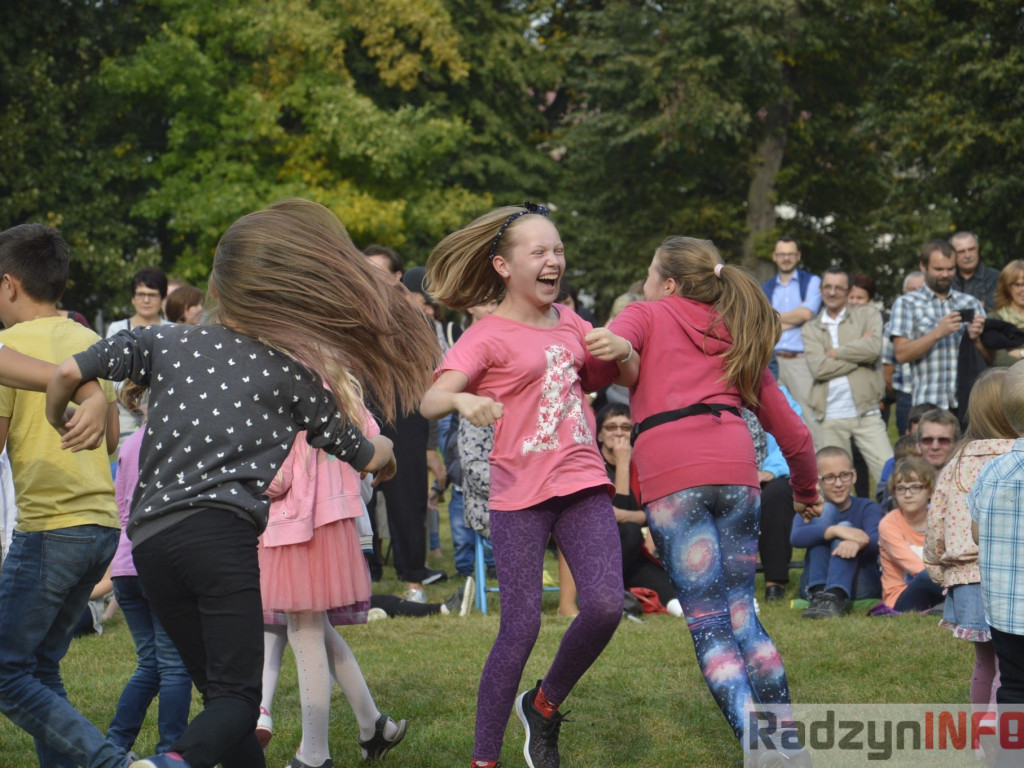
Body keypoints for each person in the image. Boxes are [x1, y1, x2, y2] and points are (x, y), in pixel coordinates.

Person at [46, 198, 440, 768]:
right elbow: (362, 450)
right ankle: (165, 764)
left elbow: (65, 372)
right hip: (220, 543)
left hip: (151, 546)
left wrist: (66, 415)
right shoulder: (291, 374)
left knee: (219, 702)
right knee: (238, 699)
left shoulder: (163, 342)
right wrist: (387, 458)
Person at [590, 236, 821, 766]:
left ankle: (761, 749)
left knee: (710, 623)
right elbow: (795, 434)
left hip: (675, 477)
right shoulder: (735, 335)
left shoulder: (647, 314)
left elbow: (614, 347)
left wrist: (615, 349)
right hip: (736, 472)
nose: (645, 282)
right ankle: (791, 746)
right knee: (744, 613)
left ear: (668, 283)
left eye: (649, 273)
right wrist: (806, 493)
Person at [420, 202, 624, 768]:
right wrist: (462, 398)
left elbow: (616, 372)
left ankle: (543, 703)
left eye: (557, 250)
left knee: (606, 606)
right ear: (504, 266)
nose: (553, 260)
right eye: (539, 252)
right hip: (520, 497)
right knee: (521, 626)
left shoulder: (573, 322)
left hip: (582, 481)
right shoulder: (487, 335)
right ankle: (484, 759)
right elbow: (430, 399)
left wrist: (624, 349)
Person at [0, 223, 126, 768]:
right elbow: (114, 439)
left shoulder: (8, 346)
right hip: (100, 525)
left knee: (5, 672)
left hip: (50, 527)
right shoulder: (89, 342)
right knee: (42, 667)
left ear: (8, 285)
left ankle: (113, 763)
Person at [257, 406, 407, 767]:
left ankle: (314, 756)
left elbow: (277, 477)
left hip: (296, 525)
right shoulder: (342, 386)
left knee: (303, 630)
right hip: (335, 521)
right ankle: (374, 726)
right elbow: (373, 449)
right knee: (315, 627)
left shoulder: (286, 385)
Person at [925, 368, 1015, 725]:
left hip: (966, 580)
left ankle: (981, 736)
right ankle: (1001, 734)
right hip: (1009, 579)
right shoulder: (1017, 460)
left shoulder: (955, 463)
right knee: (1012, 666)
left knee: (985, 662)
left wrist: (937, 569)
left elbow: (936, 525)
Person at [107, 382, 191, 756]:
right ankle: (170, 752)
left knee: (151, 664)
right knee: (174, 666)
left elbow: (122, 508)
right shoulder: (177, 441)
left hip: (125, 564)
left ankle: (115, 745)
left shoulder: (128, 445)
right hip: (159, 562)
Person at [363, 247, 447, 598]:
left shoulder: (419, 322)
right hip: (363, 415)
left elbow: (433, 378)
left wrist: (429, 444)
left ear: (397, 276)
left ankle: (413, 571)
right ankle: (363, 572)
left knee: (408, 497)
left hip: (407, 417)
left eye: (379, 271)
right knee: (357, 498)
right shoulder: (349, 314)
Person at [968, 360, 1024, 768]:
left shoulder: (992, 472)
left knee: (1015, 688)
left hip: (1007, 613)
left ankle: (1009, 757)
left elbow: (974, 531)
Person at [801, 266, 893, 487]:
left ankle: (891, 521)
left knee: (890, 476)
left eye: (839, 288)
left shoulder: (867, 314)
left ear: (848, 290)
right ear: (821, 289)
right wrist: (858, 357)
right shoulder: (811, 328)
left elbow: (873, 349)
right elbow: (820, 368)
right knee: (834, 486)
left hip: (867, 412)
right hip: (829, 416)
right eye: (828, 287)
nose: (832, 292)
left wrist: (837, 353)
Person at [595, 403, 681, 617]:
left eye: (625, 427)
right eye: (611, 427)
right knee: (631, 532)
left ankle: (670, 606)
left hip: (631, 554)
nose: (618, 433)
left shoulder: (642, 465)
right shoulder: (593, 465)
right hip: (598, 549)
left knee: (669, 589)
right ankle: (600, 593)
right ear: (599, 436)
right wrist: (622, 463)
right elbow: (614, 521)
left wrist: (630, 516)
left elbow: (654, 511)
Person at [890, 239, 986, 414]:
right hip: (928, 402)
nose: (945, 274)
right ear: (923, 267)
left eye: (950, 269)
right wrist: (938, 333)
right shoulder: (906, 303)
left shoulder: (969, 302)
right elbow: (901, 354)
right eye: (938, 269)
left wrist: (977, 339)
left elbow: (990, 356)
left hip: (969, 403)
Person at [792, 446, 882, 619]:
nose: (839, 483)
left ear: (854, 475)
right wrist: (834, 531)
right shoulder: (811, 508)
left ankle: (835, 596)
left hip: (859, 584)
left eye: (844, 475)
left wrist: (857, 543)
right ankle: (820, 595)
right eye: (830, 477)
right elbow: (795, 537)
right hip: (815, 583)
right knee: (825, 511)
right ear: (817, 482)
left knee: (845, 524)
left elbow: (877, 541)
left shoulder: (866, 507)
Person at [761, 237, 823, 447]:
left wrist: (774, 320)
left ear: (798, 256)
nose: (786, 258)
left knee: (809, 417)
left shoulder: (812, 282)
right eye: (781, 254)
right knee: (774, 419)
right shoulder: (765, 288)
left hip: (801, 360)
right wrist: (792, 318)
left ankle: (817, 473)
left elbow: (806, 314)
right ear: (774, 257)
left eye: (790, 254)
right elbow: (762, 323)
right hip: (771, 359)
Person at [878, 458, 944, 611]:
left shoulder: (940, 520)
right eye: (901, 489)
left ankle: (944, 607)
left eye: (915, 487)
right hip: (900, 597)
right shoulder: (889, 524)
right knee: (926, 576)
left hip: (938, 586)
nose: (907, 494)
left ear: (930, 491)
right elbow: (916, 568)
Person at [883, 270, 925, 435]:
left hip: (936, 395)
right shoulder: (892, 325)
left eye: (920, 289)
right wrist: (897, 391)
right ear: (904, 293)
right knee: (908, 447)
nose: (915, 294)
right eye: (911, 290)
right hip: (907, 396)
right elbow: (887, 366)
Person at [987, 259, 1024, 366]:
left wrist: (1021, 353)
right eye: (1018, 284)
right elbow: (1000, 360)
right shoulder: (995, 318)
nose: (1023, 289)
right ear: (1007, 287)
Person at [950, 231, 999, 312]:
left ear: (978, 249)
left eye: (971, 249)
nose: (967, 255)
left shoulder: (995, 278)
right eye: (961, 252)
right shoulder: (947, 279)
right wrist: (978, 304)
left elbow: (992, 310)